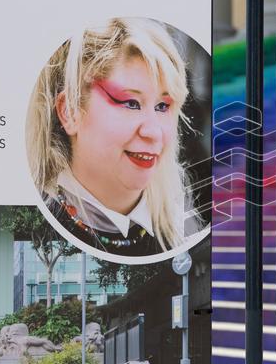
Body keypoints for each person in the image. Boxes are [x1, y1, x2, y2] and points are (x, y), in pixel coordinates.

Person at [27, 18, 201, 257]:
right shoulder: (41, 222)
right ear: (69, 111)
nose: (154, 132)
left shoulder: (184, 225)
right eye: (131, 103)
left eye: (162, 106)